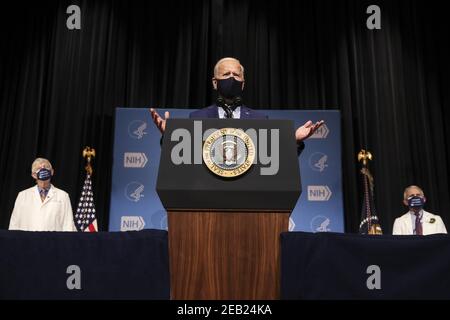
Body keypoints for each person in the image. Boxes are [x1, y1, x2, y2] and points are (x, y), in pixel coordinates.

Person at [149, 57, 324, 148]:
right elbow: (182, 157)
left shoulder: (260, 120)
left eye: (236, 75)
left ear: (243, 82)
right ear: (215, 82)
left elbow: (277, 158)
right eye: (226, 75)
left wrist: (294, 140)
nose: (231, 78)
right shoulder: (197, 118)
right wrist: (169, 138)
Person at [9, 158, 76, 231]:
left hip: (54, 241)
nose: (43, 169)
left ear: (52, 172)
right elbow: (14, 224)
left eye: (46, 167)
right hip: (27, 240)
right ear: (34, 175)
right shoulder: (22, 195)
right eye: (39, 168)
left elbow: (68, 224)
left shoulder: (63, 196)